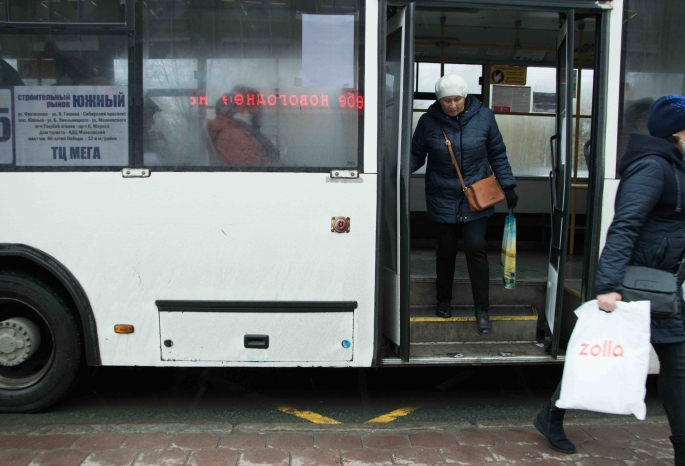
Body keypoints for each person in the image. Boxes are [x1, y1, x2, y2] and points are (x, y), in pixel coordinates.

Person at [534, 95, 685, 464]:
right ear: (676, 132)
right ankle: (552, 414)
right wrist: (608, 286)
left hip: (662, 282)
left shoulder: (675, 165)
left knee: (676, 364)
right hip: (637, 284)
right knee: (605, 356)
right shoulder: (653, 166)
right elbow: (625, 226)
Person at [410, 74, 517, 335]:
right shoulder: (428, 122)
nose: (453, 105)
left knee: (475, 246)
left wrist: (509, 185)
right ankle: (443, 300)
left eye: (457, 99)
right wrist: (394, 174)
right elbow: (415, 155)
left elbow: (497, 153)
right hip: (441, 196)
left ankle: (482, 310)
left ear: (465, 97)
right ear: (439, 100)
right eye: (447, 100)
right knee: (445, 250)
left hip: (477, 197)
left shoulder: (485, 118)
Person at [208, 86, 279, 167]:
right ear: (229, 111)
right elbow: (254, 165)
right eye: (241, 103)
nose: (257, 108)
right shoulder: (231, 136)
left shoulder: (245, 130)